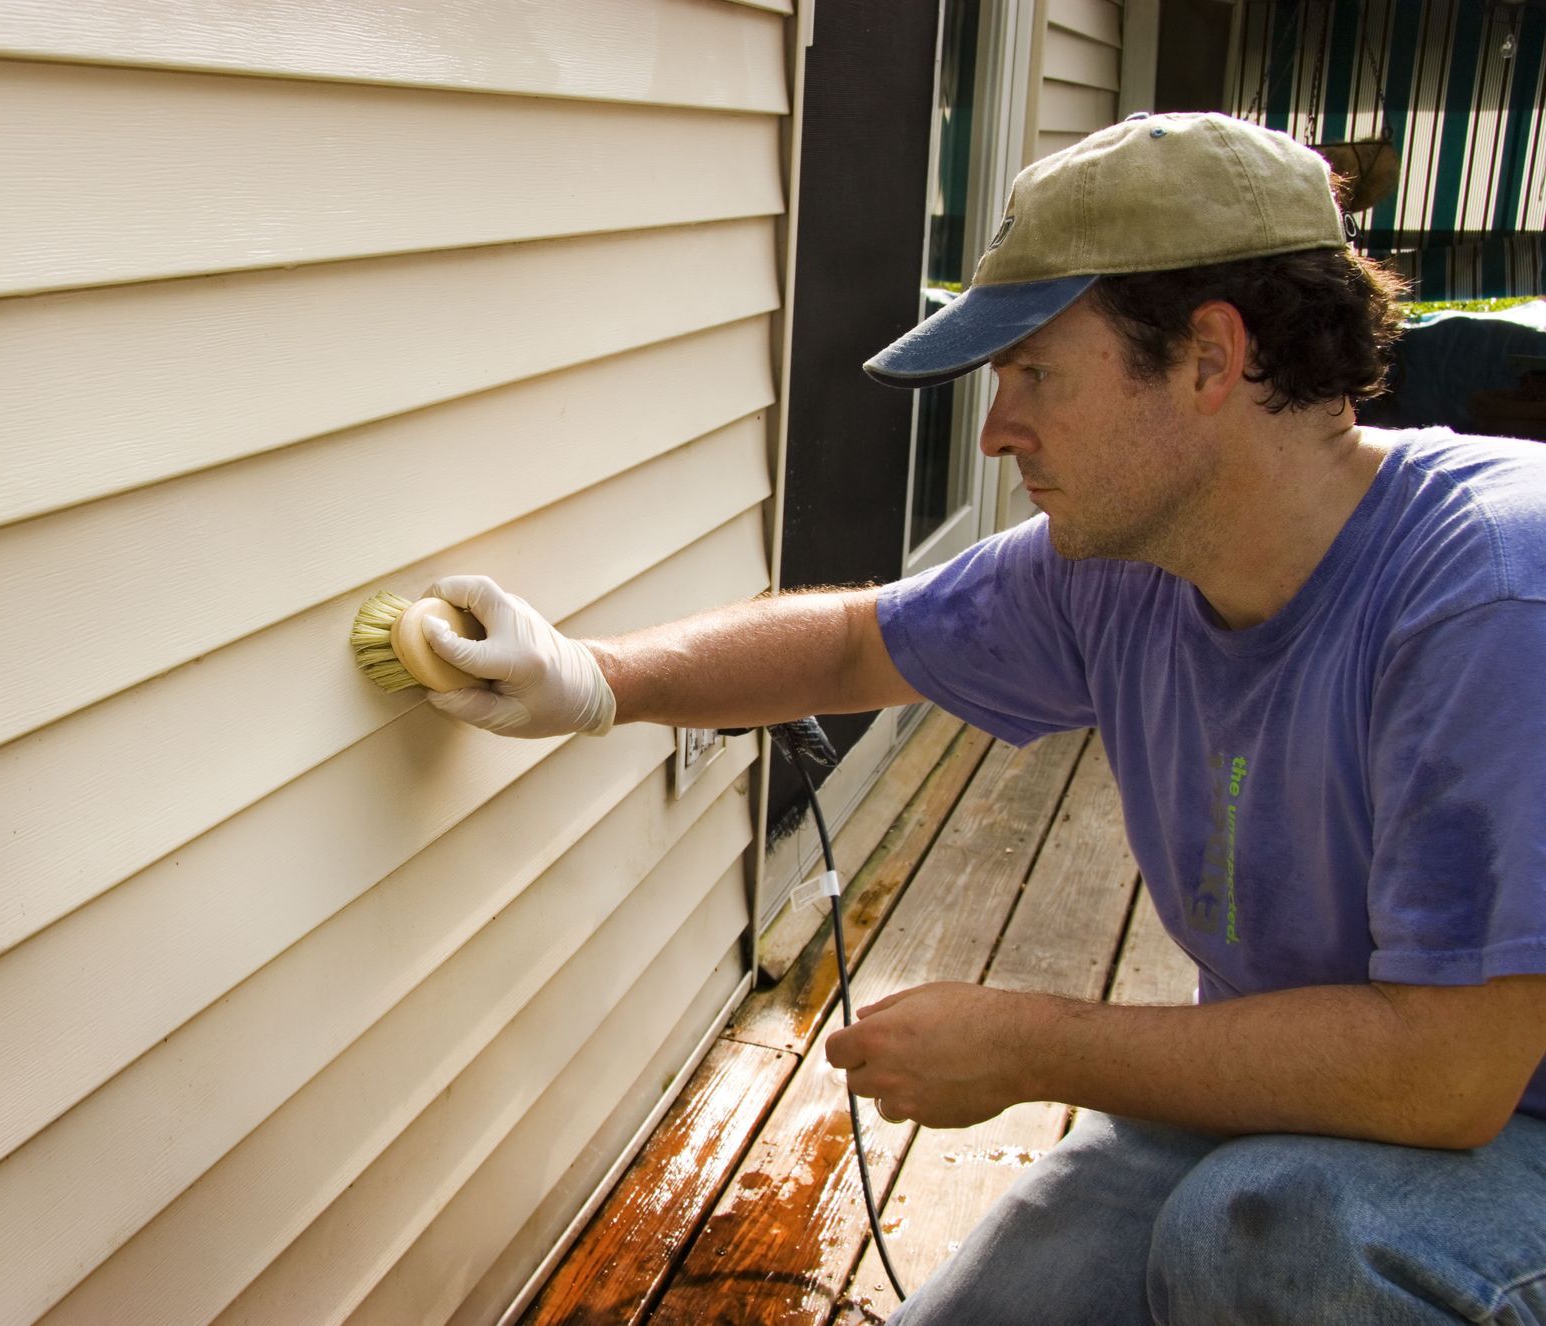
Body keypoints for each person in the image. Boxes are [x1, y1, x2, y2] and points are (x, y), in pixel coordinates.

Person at [418, 112, 1546, 1324]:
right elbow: (857, 639)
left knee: (1272, 1237)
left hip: (1482, 1121)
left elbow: (1447, 1074)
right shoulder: (1121, 564)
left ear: (1212, 360)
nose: (999, 427)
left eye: (1035, 373)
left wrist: (1030, 1046)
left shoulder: (1492, 589)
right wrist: (592, 679)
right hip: (1323, 1102)